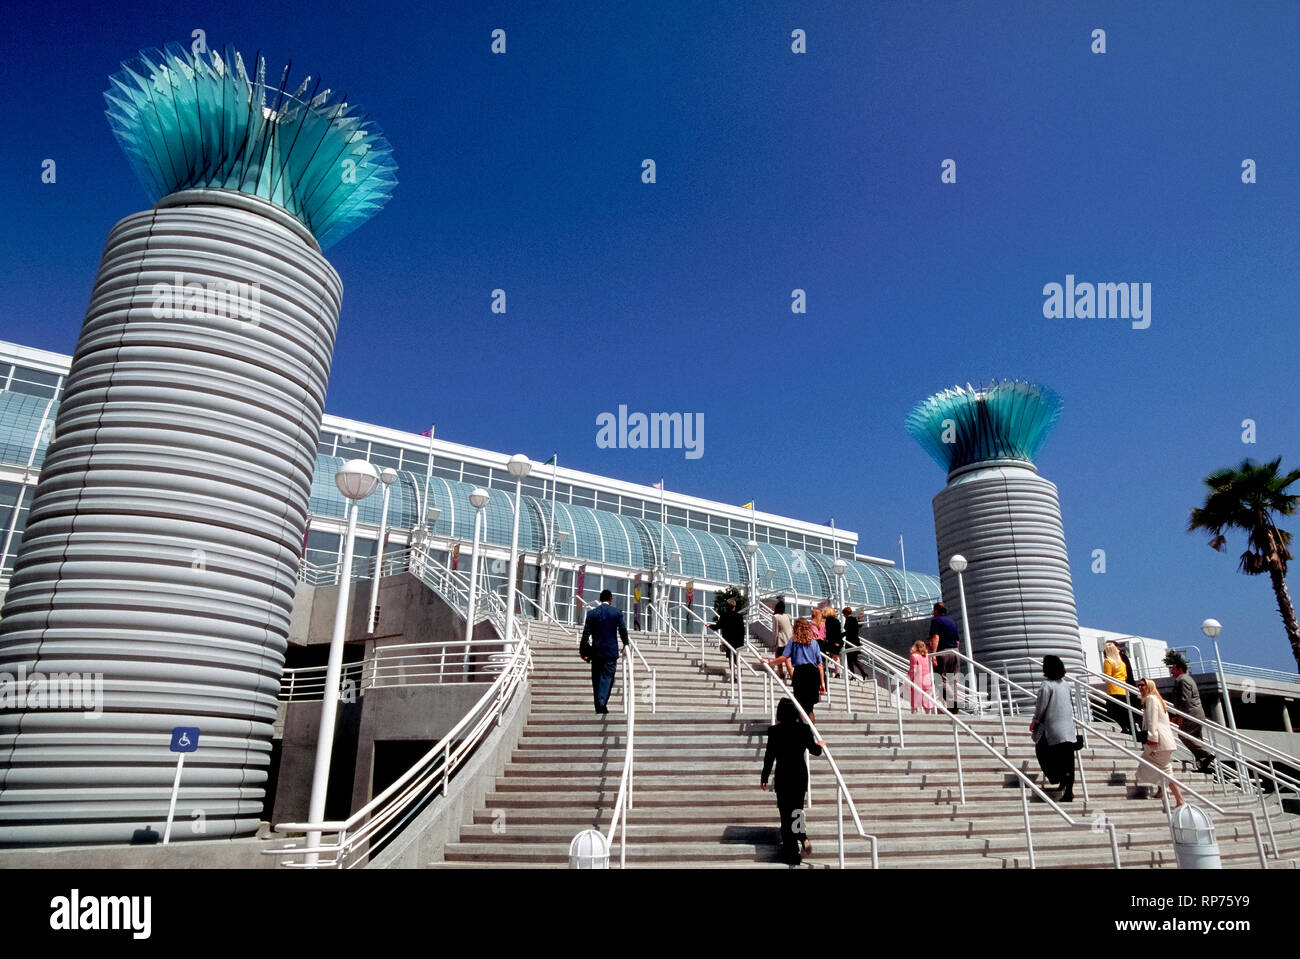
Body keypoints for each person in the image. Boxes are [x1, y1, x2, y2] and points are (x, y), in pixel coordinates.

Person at [760, 698, 824, 864]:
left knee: (785, 813)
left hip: (783, 775)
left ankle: (792, 852)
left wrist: (764, 777)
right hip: (799, 775)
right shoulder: (803, 729)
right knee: (797, 810)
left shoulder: (774, 731)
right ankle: (801, 835)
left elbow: (769, 757)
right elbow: (815, 751)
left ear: (779, 712)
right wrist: (821, 745)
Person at [1029, 654, 1078, 802]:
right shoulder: (1066, 684)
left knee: (1041, 751)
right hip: (1068, 729)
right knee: (1068, 761)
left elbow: (1041, 707)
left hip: (1053, 729)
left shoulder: (1046, 685)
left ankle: (1055, 778)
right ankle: (1068, 789)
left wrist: (1035, 721)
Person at [579, 588, 629, 715]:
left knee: (596, 679)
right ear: (610, 600)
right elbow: (622, 630)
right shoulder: (616, 613)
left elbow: (586, 634)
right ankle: (601, 703)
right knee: (607, 678)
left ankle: (600, 707)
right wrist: (626, 644)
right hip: (610, 653)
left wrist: (583, 651)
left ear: (600, 599)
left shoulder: (592, 614)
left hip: (596, 652)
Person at [1136, 679, 1185, 806]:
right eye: (1138, 685)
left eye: (1143, 685)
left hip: (1159, 742)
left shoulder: (1151, 699)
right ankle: (1160, 790)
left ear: (1149, 686)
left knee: (1165, 770)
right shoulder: (1157, 699)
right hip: (1164, 741)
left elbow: (1152, 721)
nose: (1140, 687)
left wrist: (1151, 737)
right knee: (1153, 765)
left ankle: (1180, 800)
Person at [1165, 652, 1215, 773]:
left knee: (1183, 735)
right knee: (1196, 738)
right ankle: (1203, 764)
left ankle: (1207, 754)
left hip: (1191, 714)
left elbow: (1185, 699)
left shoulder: (1182, 680)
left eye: (1173, 669)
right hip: (1196, 714)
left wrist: (1180, 716)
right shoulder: (1186, 679)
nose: (1171, 671)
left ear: (1180, 668)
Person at [766, 618, 825, 721]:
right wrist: (822, 683)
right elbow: (820, 665)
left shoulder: (793, 641)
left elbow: (784, 657)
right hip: (813, 674)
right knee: (810, 708)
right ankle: (810, 732)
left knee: (800, 705)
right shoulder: (814, 643)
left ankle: (803, 729)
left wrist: (770, 663)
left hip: (800, 673)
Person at [926, 602, 961, 710]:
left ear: (936, 610)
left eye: (933, 610)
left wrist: (933, 655)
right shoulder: (952, 622)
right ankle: (953, 708)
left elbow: (936, 638)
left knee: (939, 680)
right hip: (955, 652)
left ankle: (954, 701)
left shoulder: (936, 621)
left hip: (943, 652)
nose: (933, 612)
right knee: (953, 680)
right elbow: (958, 641)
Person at [707, 596, 746, 683]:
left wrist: (710, 626)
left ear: (727, 606)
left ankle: (734, 676)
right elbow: (742, 630)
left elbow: (718, 626)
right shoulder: (739, 616)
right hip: (737, 641)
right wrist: (742, 642)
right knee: (736, 658)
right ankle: (739, 669)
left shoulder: (724, 615)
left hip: (728, 640)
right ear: (734, 606)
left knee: (730, 659)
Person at [1101, 641, 1132, 735]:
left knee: (1111, 710)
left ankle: (1125, 727)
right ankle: (1129, 728)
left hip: (1114, 690)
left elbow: (1107, 676)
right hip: (1124, 689)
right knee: (1124, 711)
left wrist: (1103, 677)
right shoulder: (1121, 663)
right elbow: (1125, 676)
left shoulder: (1108, 661)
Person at [907, 640, 934, 713]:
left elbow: (912, 670)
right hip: (927, 682)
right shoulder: (927, 656)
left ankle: (914, 719)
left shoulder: (914, 656)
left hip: (917, 682)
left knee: (915, 704)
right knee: (927, 703)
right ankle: (929, 719)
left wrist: (908, 679)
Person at [770, 598, 794, 681]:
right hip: (790, 640)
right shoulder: (788, 616)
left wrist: (774, 643)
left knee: (785, 659)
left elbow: (775, 631)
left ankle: (788, 676)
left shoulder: (775, 617)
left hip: (782, 641)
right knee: (781, 657)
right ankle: (781, 674)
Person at [823, 607, 843, 678]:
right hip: (838, 641)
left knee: (824, 653)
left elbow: (827, 632)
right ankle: (837, 673)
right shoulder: (837, 621)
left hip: (831, 641)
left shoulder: (827, 621)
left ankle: (823, 668)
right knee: (836, 656)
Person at [842, 607, 862, 676]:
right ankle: (863, 674)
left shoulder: (848, 620)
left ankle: (854, 675)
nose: (843, 615)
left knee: (850, 660)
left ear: (846, 613)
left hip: (851, 642)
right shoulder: (854, 619)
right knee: (854, 660)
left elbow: (849, 631)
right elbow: (853, 630)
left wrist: (841, 635)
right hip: (856, 641)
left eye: (843, 614)